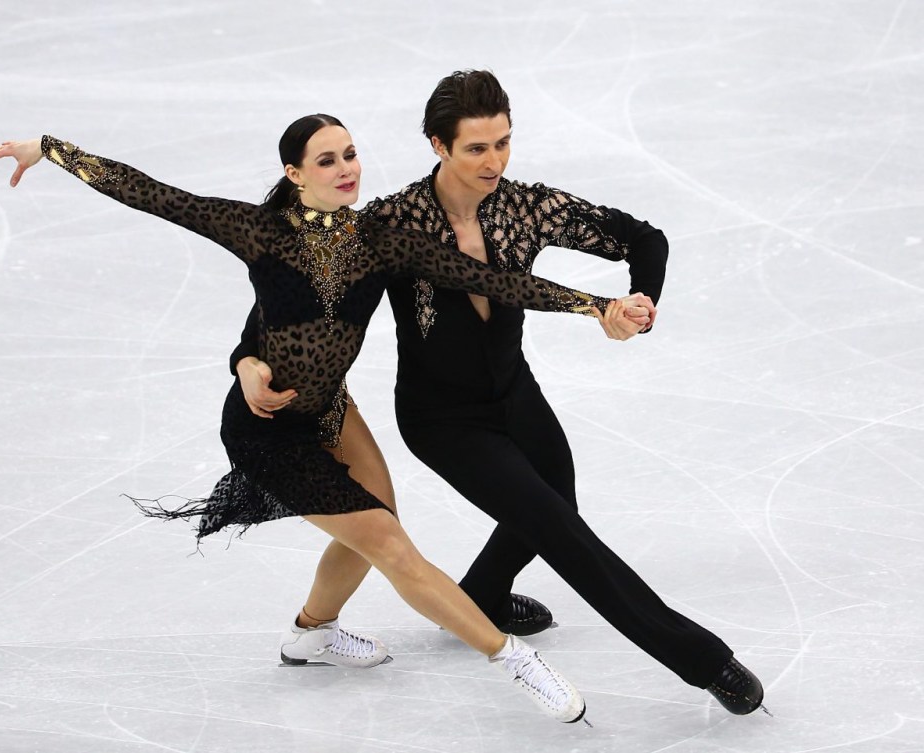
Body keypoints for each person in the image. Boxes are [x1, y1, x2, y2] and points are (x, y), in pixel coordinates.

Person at [0, 115, 654, 723]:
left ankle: (311, 633)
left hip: (332, 412)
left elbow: (493, 280)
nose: (346, 168)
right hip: (265, 429)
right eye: (327, 160)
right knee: (390, 545)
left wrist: (595, 306)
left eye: (350, 154)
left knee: (374, 525)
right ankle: (515, 661)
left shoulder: (379, 242)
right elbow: (153, 194)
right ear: (295, 173)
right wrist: (51, 149)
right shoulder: (258, 230)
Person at [231, 72, 766, 716]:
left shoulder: (525, 208)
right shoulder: (390, 224)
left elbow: (644, 238)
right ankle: (703, 660)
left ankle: (483, 592)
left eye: (503, 143)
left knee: (555, 500)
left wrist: (641, 303)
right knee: (563, 534)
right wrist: (247, 358)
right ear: (439, 145)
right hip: (442, 420)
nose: (495, 162)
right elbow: (296, 299)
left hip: (515, 395)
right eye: (477, 148)